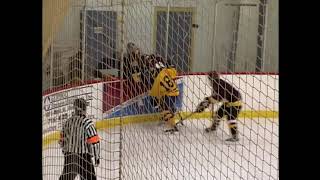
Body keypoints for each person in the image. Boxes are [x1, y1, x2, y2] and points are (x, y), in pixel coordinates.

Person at [59, 98, 100, 180]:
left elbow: (62, 140)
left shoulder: (67, 122)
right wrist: (97, 157)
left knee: (66, 178)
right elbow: (95, 142)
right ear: (84, 108)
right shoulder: (88, 123)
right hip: (84, 158)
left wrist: (65, 152)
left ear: (74, 108)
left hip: (69, 156)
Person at [195, 71, 242, 142]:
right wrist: (206, 101)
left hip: (235, 103)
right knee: (218, 114)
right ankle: (214, 127)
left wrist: (206, 103)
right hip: (228, 102)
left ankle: (235, 136)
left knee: (231, 119)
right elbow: (215, 97)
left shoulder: (218, 84)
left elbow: (218, 98)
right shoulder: (217, 83)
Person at [147, 55, 180, 133]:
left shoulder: (159, 77)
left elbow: (154, 94)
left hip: (170, 94)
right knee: (164, 107)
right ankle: (170, 114)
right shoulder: (166, 71)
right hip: (174, 92)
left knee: (164, 108)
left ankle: (173, 127)